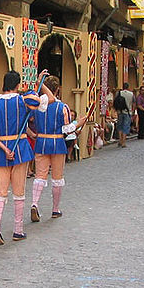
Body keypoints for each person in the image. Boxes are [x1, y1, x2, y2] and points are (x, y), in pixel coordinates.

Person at [0, 69, 53, 245]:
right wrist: (38, 83)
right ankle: (18, 230)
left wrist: (3, 147)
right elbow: (49, 99)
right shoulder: (24, 100)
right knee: (19, 191)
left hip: (1, 149)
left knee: (0, 192)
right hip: (20, 148)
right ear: (17, 85)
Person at [30, 75, 85, 221]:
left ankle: (34, 203)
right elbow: (67, 129)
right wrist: (78, 124)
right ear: (58, 89)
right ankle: (55, 209)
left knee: (40, 176)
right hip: (57, 143)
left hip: (41, 141)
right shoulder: (63, 107)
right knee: (57, 177)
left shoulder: (38, 105)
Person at [114, 82, 135, 148]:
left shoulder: (119, 93)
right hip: (128, 112)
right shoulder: (131, 94)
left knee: (120, 125)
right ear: (128, 87)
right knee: (126, 126)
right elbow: (134, 103)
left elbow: (116, 101)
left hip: (120, 112)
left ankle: (120, 140)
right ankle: (124, 142)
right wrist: (133, 111)